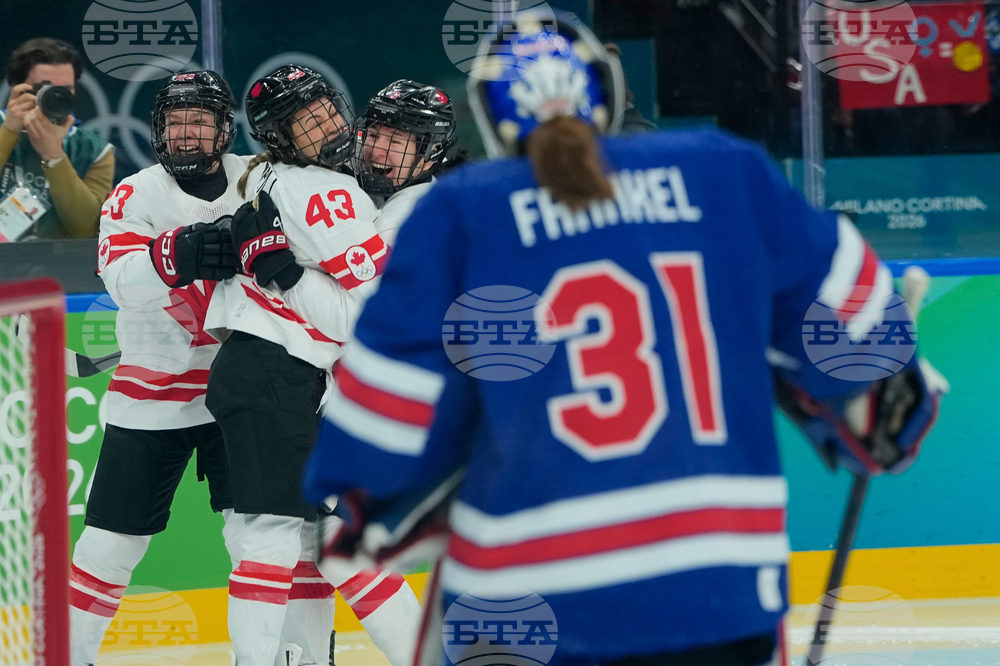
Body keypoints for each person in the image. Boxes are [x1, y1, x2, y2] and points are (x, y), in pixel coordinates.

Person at [302, 11, 946, 666]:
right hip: (721, 590)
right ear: (608, 91)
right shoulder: (730, 176)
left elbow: (371, 454)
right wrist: (872, 408)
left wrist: (394, 510)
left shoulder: (462, 212)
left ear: (491, 120)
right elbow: (879, 383)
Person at [203, 65, 421, 666]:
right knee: (277, 537)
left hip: (272, 378)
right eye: (308, 121)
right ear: (281, 136)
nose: (329, 125)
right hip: (280, 379)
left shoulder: (268, 175)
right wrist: (288, 277)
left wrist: (284, 274)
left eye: (328, 109)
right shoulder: (330, 191)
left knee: (313, 538)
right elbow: (367, 318)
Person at [70, 70, 243, 666]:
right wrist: (175, 253)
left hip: (241, 394)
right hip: (153, 394)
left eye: (200, 121)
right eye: (176, 122)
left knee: (260, 541)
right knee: (111, 546)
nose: (188, 133)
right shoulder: (135, 194)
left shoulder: (260, 178)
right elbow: (120, 283)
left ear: (223, 128)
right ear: (159, 131)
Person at [0, 38, 114, 239]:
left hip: (58, 267)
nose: (55, 96)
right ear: (17, 87)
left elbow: (85, 229)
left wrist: (54, 155)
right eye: (43, 88)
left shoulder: (95, 151)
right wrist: (8, 131)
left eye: (65, 89)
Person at [353, 78, 463, 246]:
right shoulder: (430, 179)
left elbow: (365, 271)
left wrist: (300, 272)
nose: (376, 151)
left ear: (430, 155)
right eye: (373, 135)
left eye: (394, 142)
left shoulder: (400, 225)